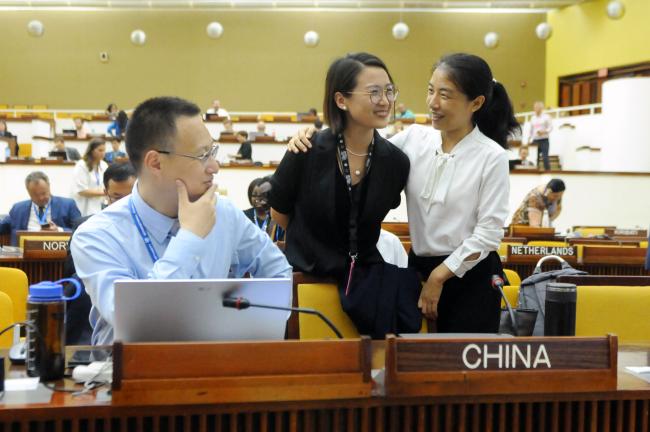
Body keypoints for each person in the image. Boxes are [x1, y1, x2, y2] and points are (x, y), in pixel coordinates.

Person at [289, 53, 519, 333]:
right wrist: (312, 138)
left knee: (463, 367)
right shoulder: (414, 139)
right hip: (418, 269)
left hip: (470, 276)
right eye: (430, 90)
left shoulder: (491, 156)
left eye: (445, 95)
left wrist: (438, 278)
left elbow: (489, 234)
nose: (433, 103)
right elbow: (360, 147)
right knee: (413, 363)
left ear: (476, 102)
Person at [70, 96, 291, 345]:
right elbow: (136, 323)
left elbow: (279, 273)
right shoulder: (97, 235)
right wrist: (190, 238)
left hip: (216, 367)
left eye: (213, 151)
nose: (214, 166)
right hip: (132, 374)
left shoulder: (225, 214)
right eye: (202, 155)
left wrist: (243, 332)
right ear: (155, 162)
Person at [64, 162, 137, 345]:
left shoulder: (151, 227)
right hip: (93, 301)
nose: (123, 205)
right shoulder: (87, 228)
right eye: (116, 197)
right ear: (106, 193)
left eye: (130, 197)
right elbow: (73, 272)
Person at [0, 171, 81, 245]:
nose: (40, 198)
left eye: (43, 193)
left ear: (49, 186)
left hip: (58, 255)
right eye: (35, 195)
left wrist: (59, 231)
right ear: (28, 192)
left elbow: (81, 231)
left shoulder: (68, 205)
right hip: (24, 257)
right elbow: (2, 226)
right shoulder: (18, 209)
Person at [72, 138, 109, 216]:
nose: (103, 153)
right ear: (92, 151)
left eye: (104, 150)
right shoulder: (81, 165)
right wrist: (104, 192)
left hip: (98, 207)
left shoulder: (104, 165)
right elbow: (82, 191)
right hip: (83, 207)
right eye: (100, 150)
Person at [243, 177, 284, 242]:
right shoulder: (243, 216)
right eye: (254, 195)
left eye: (262, 195)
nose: (258, 199)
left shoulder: (277, 215)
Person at [525, 101, 553, 170]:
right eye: (535, 107)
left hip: (544, 140)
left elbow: (550, 127)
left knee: (545, 157)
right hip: (535, 140)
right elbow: (531, 130)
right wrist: (529, 139)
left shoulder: (546, 117)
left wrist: (544, 132)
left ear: (541, 108)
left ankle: (548, 171)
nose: (535, 109)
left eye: (537, 107)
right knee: (535, 157)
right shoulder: (532, 118)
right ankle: (535, 171)